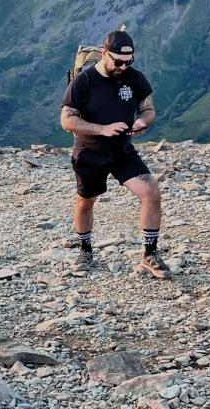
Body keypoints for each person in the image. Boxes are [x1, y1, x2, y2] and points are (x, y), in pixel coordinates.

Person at [60, 30, 171, 279]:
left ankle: (150, 255)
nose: (123, 66)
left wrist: (142, 122)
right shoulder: (85, 81)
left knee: (151, 191)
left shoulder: (134, 78)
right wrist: (102, 129)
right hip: (89, 152)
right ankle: (85, 250)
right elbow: (67, 120)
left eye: (128, 62)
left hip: (122, 151)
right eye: (118, 61)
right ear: (104, 53)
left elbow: (148, 108)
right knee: (85, 202)